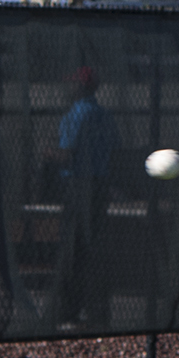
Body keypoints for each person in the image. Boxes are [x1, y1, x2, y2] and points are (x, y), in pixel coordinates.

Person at [47, 63, 118, 325]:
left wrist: (47, 154)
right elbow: (115, 149)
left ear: (81, 86)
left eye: (72, 82)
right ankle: (97, 311)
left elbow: (67, 154)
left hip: (79, 187)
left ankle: (67, 312)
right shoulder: (104, 114)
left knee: (71, 250)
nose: (68, 86)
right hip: (99, 186)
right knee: (93, 249)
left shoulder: (78, 114)